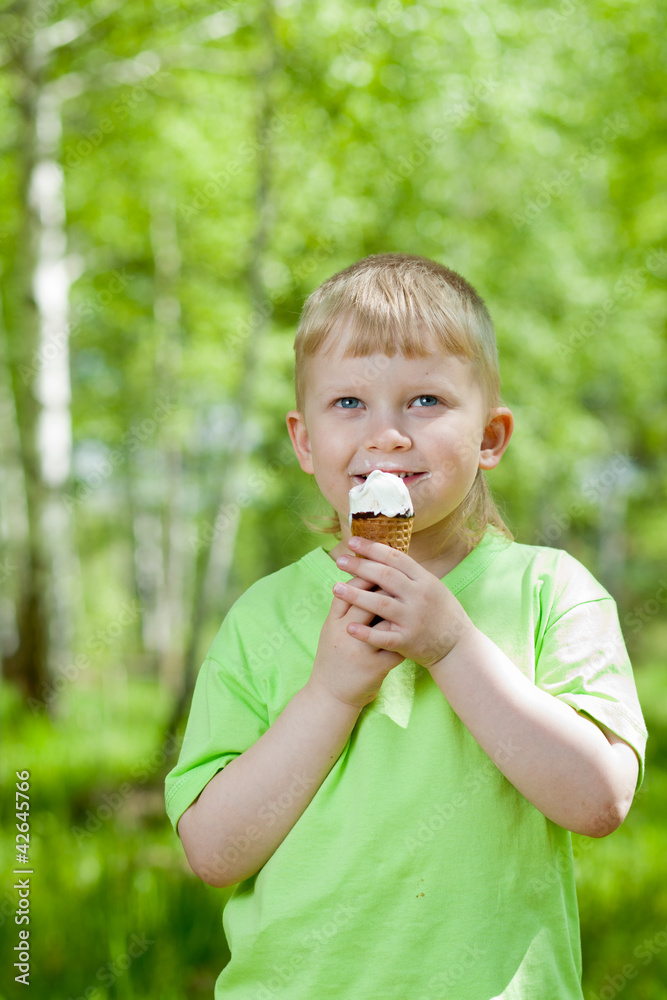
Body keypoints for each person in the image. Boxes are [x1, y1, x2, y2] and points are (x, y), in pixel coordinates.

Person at [165, 253, 647, 999]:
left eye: (424, 400)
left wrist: (451, 646)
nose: (386, 435)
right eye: (349, 404)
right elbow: (211, 852)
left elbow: (598, 801)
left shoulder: (551, 591)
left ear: (489, 436)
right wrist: (330, 694)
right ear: (302, 441)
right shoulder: (262, 616)